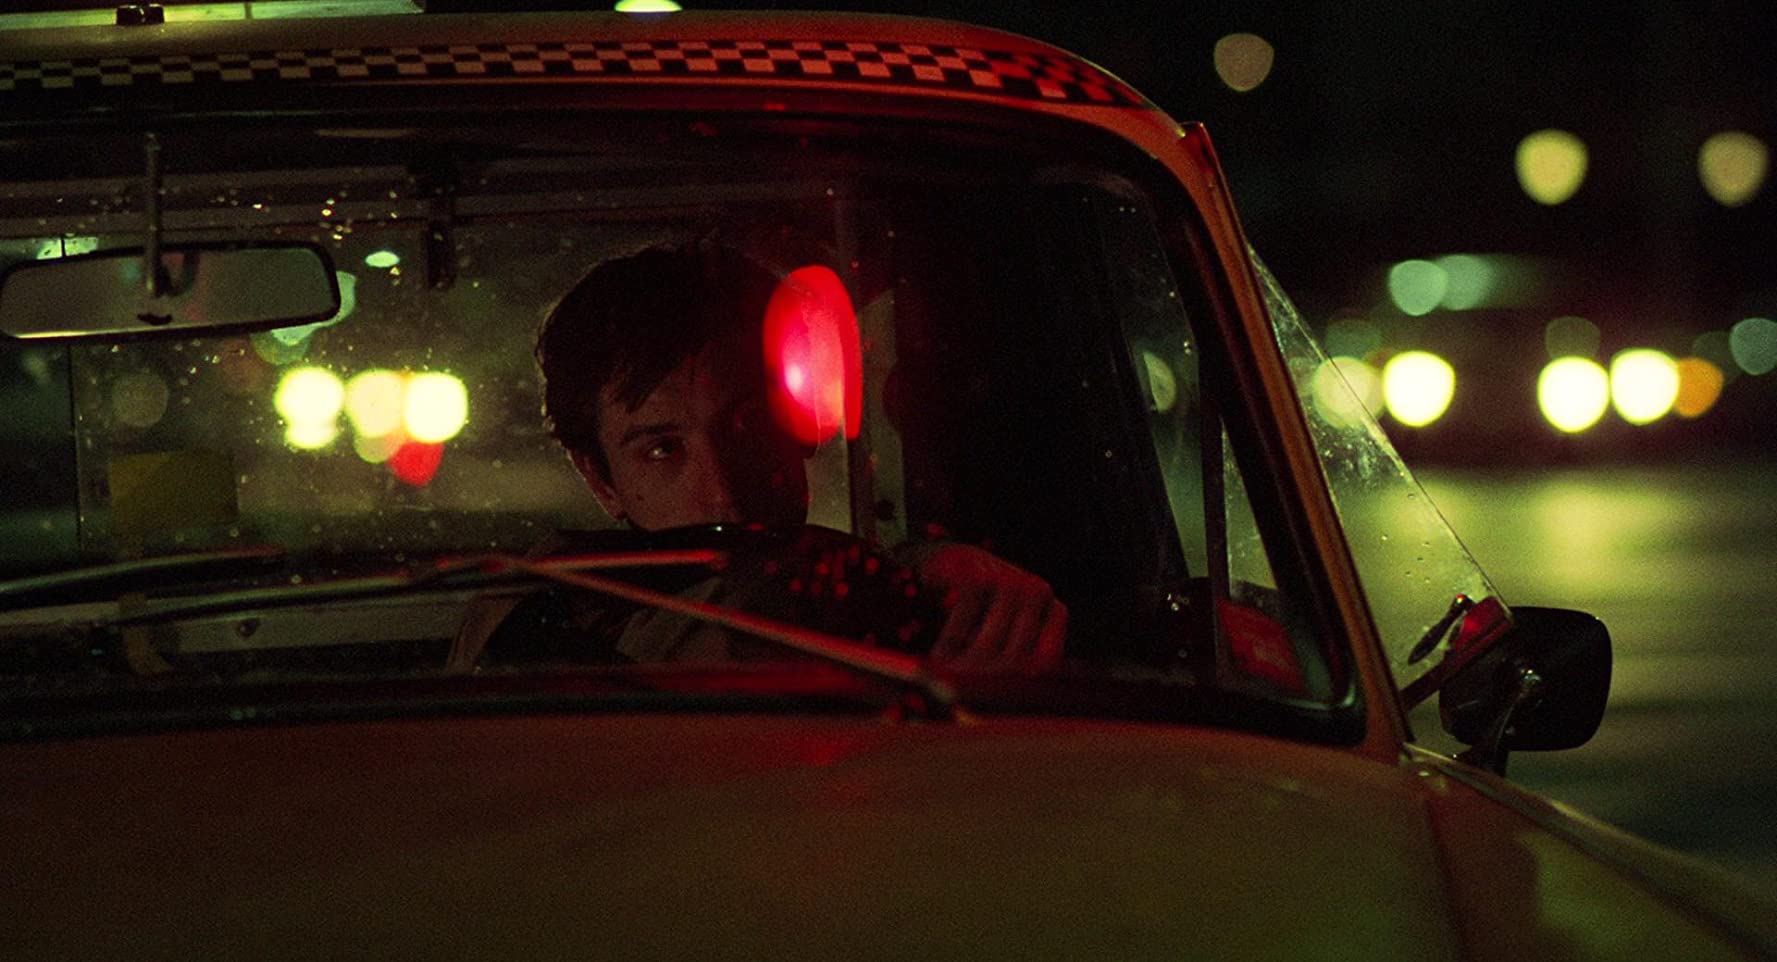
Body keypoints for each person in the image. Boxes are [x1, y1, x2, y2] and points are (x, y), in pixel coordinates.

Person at [525, 240, 1066, 671]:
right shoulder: (536, 634)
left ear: (802, 418)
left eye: (749, 425)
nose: (723, 494)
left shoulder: (890, 597)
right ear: (601, 480)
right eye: (663, 450)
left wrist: (935, 574)